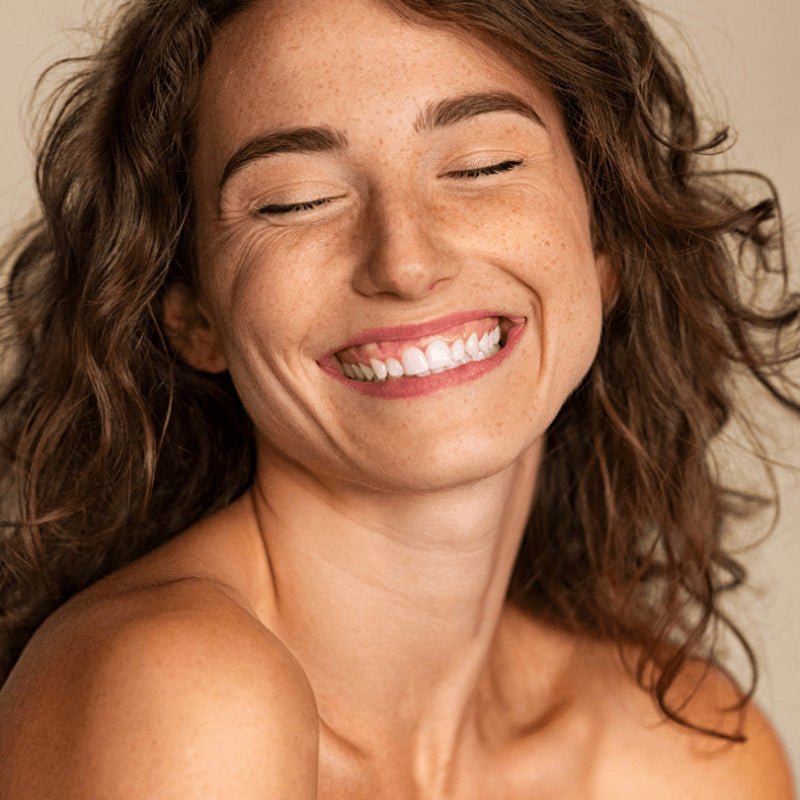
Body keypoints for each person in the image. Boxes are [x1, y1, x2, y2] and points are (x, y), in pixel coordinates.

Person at [0, 0, 796, 796]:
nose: (406, 263)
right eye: (295, 201)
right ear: (192, 314)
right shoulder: (177, 689)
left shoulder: (689, 757)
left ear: (604, 246)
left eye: (483, 166)